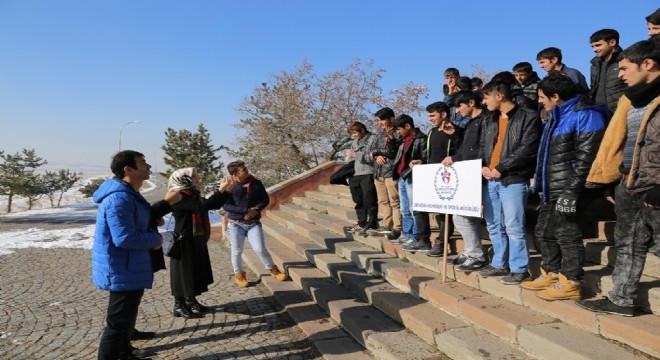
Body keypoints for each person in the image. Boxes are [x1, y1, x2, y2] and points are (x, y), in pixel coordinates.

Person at [577, 39, 660, 316]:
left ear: (648, 64)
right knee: (627, 244)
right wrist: (611, 180)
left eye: (624, 68)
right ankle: (620, 300)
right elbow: (618, 142)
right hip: (628, 184)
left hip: (656, 189)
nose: (619, 74)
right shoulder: (629, 99)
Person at [522, 74, 608, 301]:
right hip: (551, 188)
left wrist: (572, 190)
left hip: (569, 188)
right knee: (543, 231)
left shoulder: (587, 115)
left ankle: (571, 281)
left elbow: (586, 158)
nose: (539, 101)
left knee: (567, 234)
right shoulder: (556, 117)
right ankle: (551, 272)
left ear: (555, 96)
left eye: (542, 97)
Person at [92, 150, 171, 360]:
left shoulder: (130, 194)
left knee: (125, 318)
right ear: (128, 170)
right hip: (121, 268)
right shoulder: (119, 199)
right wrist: (155, 240)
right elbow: (124, 237)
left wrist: (152, 221)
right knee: (116, 324)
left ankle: (124, 353)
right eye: (142, 163)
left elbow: (134, 221)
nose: (149, 166)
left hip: (131, 266)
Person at [478, 80, 541, 284]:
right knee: (494, 225)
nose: (483, 101)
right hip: (491, 179)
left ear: (499, 96)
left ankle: (519, 267)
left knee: (513, 225)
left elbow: (527, 148)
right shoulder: (489, 120)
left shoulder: (528, 117)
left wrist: (502, 168)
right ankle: (499, 263)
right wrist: (483, 166)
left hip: (513, 179)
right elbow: (483, 146)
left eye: (486, 96)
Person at [167, 167, 230, 319]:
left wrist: (226, 191)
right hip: (183, 240)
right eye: (194, 175)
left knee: (194, 271)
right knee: (183, 273)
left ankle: (191, 300)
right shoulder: (178, 195)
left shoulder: (192, 193)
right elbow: (202, 207)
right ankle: (179, 305)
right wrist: (221, 191)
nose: (197, 177)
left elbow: (211, 205)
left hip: (195, 238)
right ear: (184, 179)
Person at [441, 90, 490, 270]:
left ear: (471, 102)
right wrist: (455, 135)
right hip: (470, 173)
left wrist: (458, 159)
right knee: (463, 216)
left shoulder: (487, 120)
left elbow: (482, 149)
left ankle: (476, 254)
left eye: (459, 106)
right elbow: (465, 149)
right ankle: (471, 252)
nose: (458, 111)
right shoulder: (471, 123)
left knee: (463, 216)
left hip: (479, 173)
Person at [403, 101, 460, 254]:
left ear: (444, 114)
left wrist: (454, 135)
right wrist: (421, 161)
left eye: (433, 115)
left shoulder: (457, 131)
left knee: (444, 214)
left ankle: (441, 242)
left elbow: (462, 151)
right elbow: (430, 155)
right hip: (431, 176)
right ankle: (423, 239)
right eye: (428, 116)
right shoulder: (431, 132)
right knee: (419, 206)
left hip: (448, 177)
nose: (430, 119)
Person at [222, 161, 289, 287]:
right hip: (235, 224)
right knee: (236, 250)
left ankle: (273, 270)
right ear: (235, 174)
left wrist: (256, 209)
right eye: (243, 170)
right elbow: (226, 205)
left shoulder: (256, 183)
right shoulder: (229, 186)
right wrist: (244, 211)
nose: (246, 170)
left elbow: (265, 199)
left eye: (246, 168)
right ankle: (240, 276)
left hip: (253, 223)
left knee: (259, 248)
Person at [389, 114, 427, 246]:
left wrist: (420, 162)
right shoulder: (402, 140)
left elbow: (425, 157)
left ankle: (416, 235)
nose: (398, 132)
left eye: (399, 129)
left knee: (413, 208)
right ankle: (407, 234)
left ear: (408, 126)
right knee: (404, 209)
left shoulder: (421, 139)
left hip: (412, 176)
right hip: (402, 177)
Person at [368, 107, 402, 239]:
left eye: (382, 120)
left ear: (391, 119)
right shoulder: (379, 135)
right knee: (383, 201)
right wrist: (376, 156)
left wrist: (379, 152)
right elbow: (370, 152)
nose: (380, 123)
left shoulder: (399, 133)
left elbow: (396, 152)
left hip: (392, 172)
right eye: (378, 120)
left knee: (395, 201)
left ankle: (397, 227)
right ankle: (386, 224)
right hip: (379, 172)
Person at [345, 121, 380, 236]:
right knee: (358, 200)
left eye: (355, 132)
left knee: (369, 199)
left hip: (368, 172)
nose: (354, 135)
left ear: (362, 130)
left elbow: (373, 157)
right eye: (352, 133)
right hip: (355, 174)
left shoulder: (373, 139)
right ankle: (361, 222)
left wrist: (356, 155)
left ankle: (373, 223)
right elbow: (351, 158)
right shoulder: (354, 142)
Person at [589, 29, 626, 113]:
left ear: (612, 42)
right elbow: (592, 89)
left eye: (598, 45)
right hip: (599, 114)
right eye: (593, 46)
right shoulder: (594, 65)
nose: (594, 49)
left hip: (619, 113)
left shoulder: (625, 60)